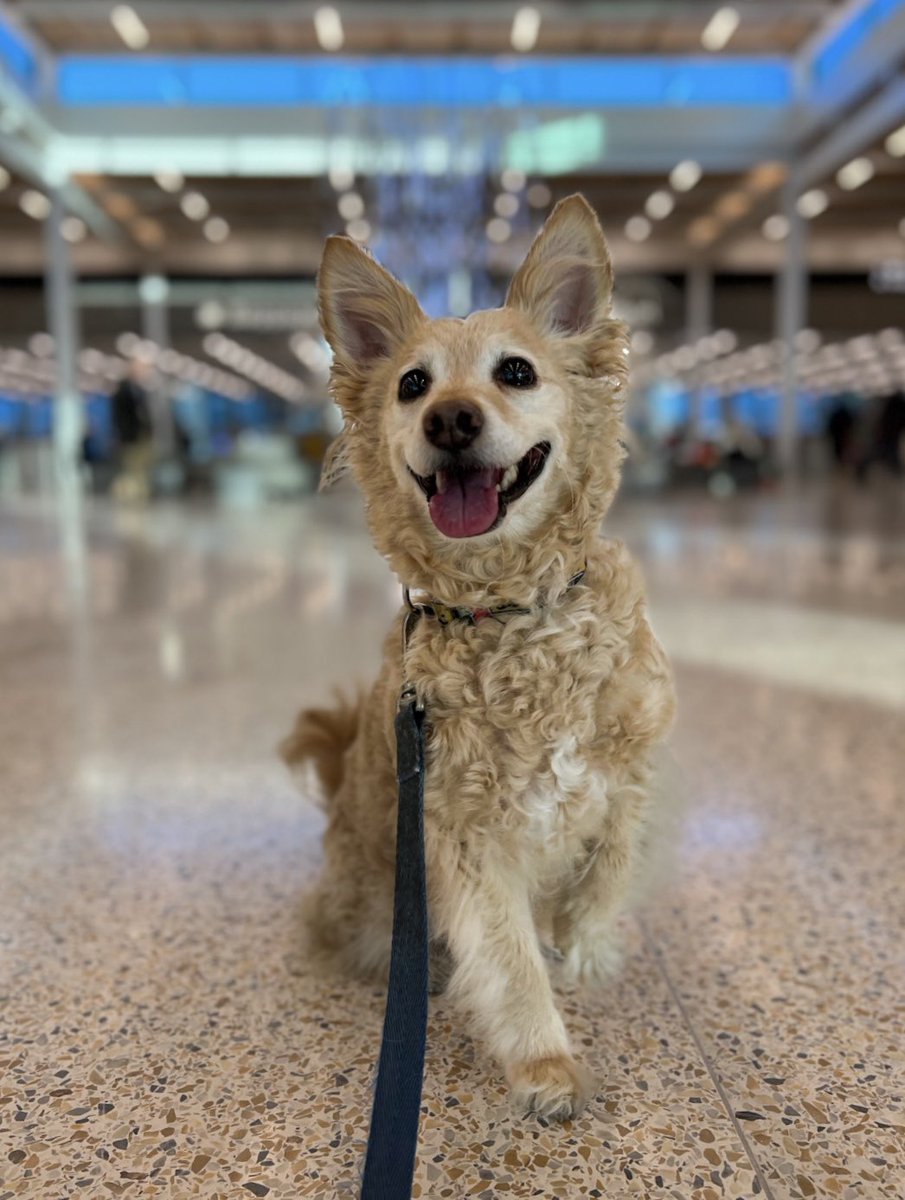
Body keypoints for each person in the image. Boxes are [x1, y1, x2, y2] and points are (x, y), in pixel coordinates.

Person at [111, 360, 153, 500]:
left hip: (140, 434)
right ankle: (127, 492)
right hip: (128, 435)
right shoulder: (122, 391)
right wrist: (121, 434)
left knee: (140, 465)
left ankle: (139, 491)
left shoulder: (140, 391)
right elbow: (119, 416)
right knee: (130, 465)